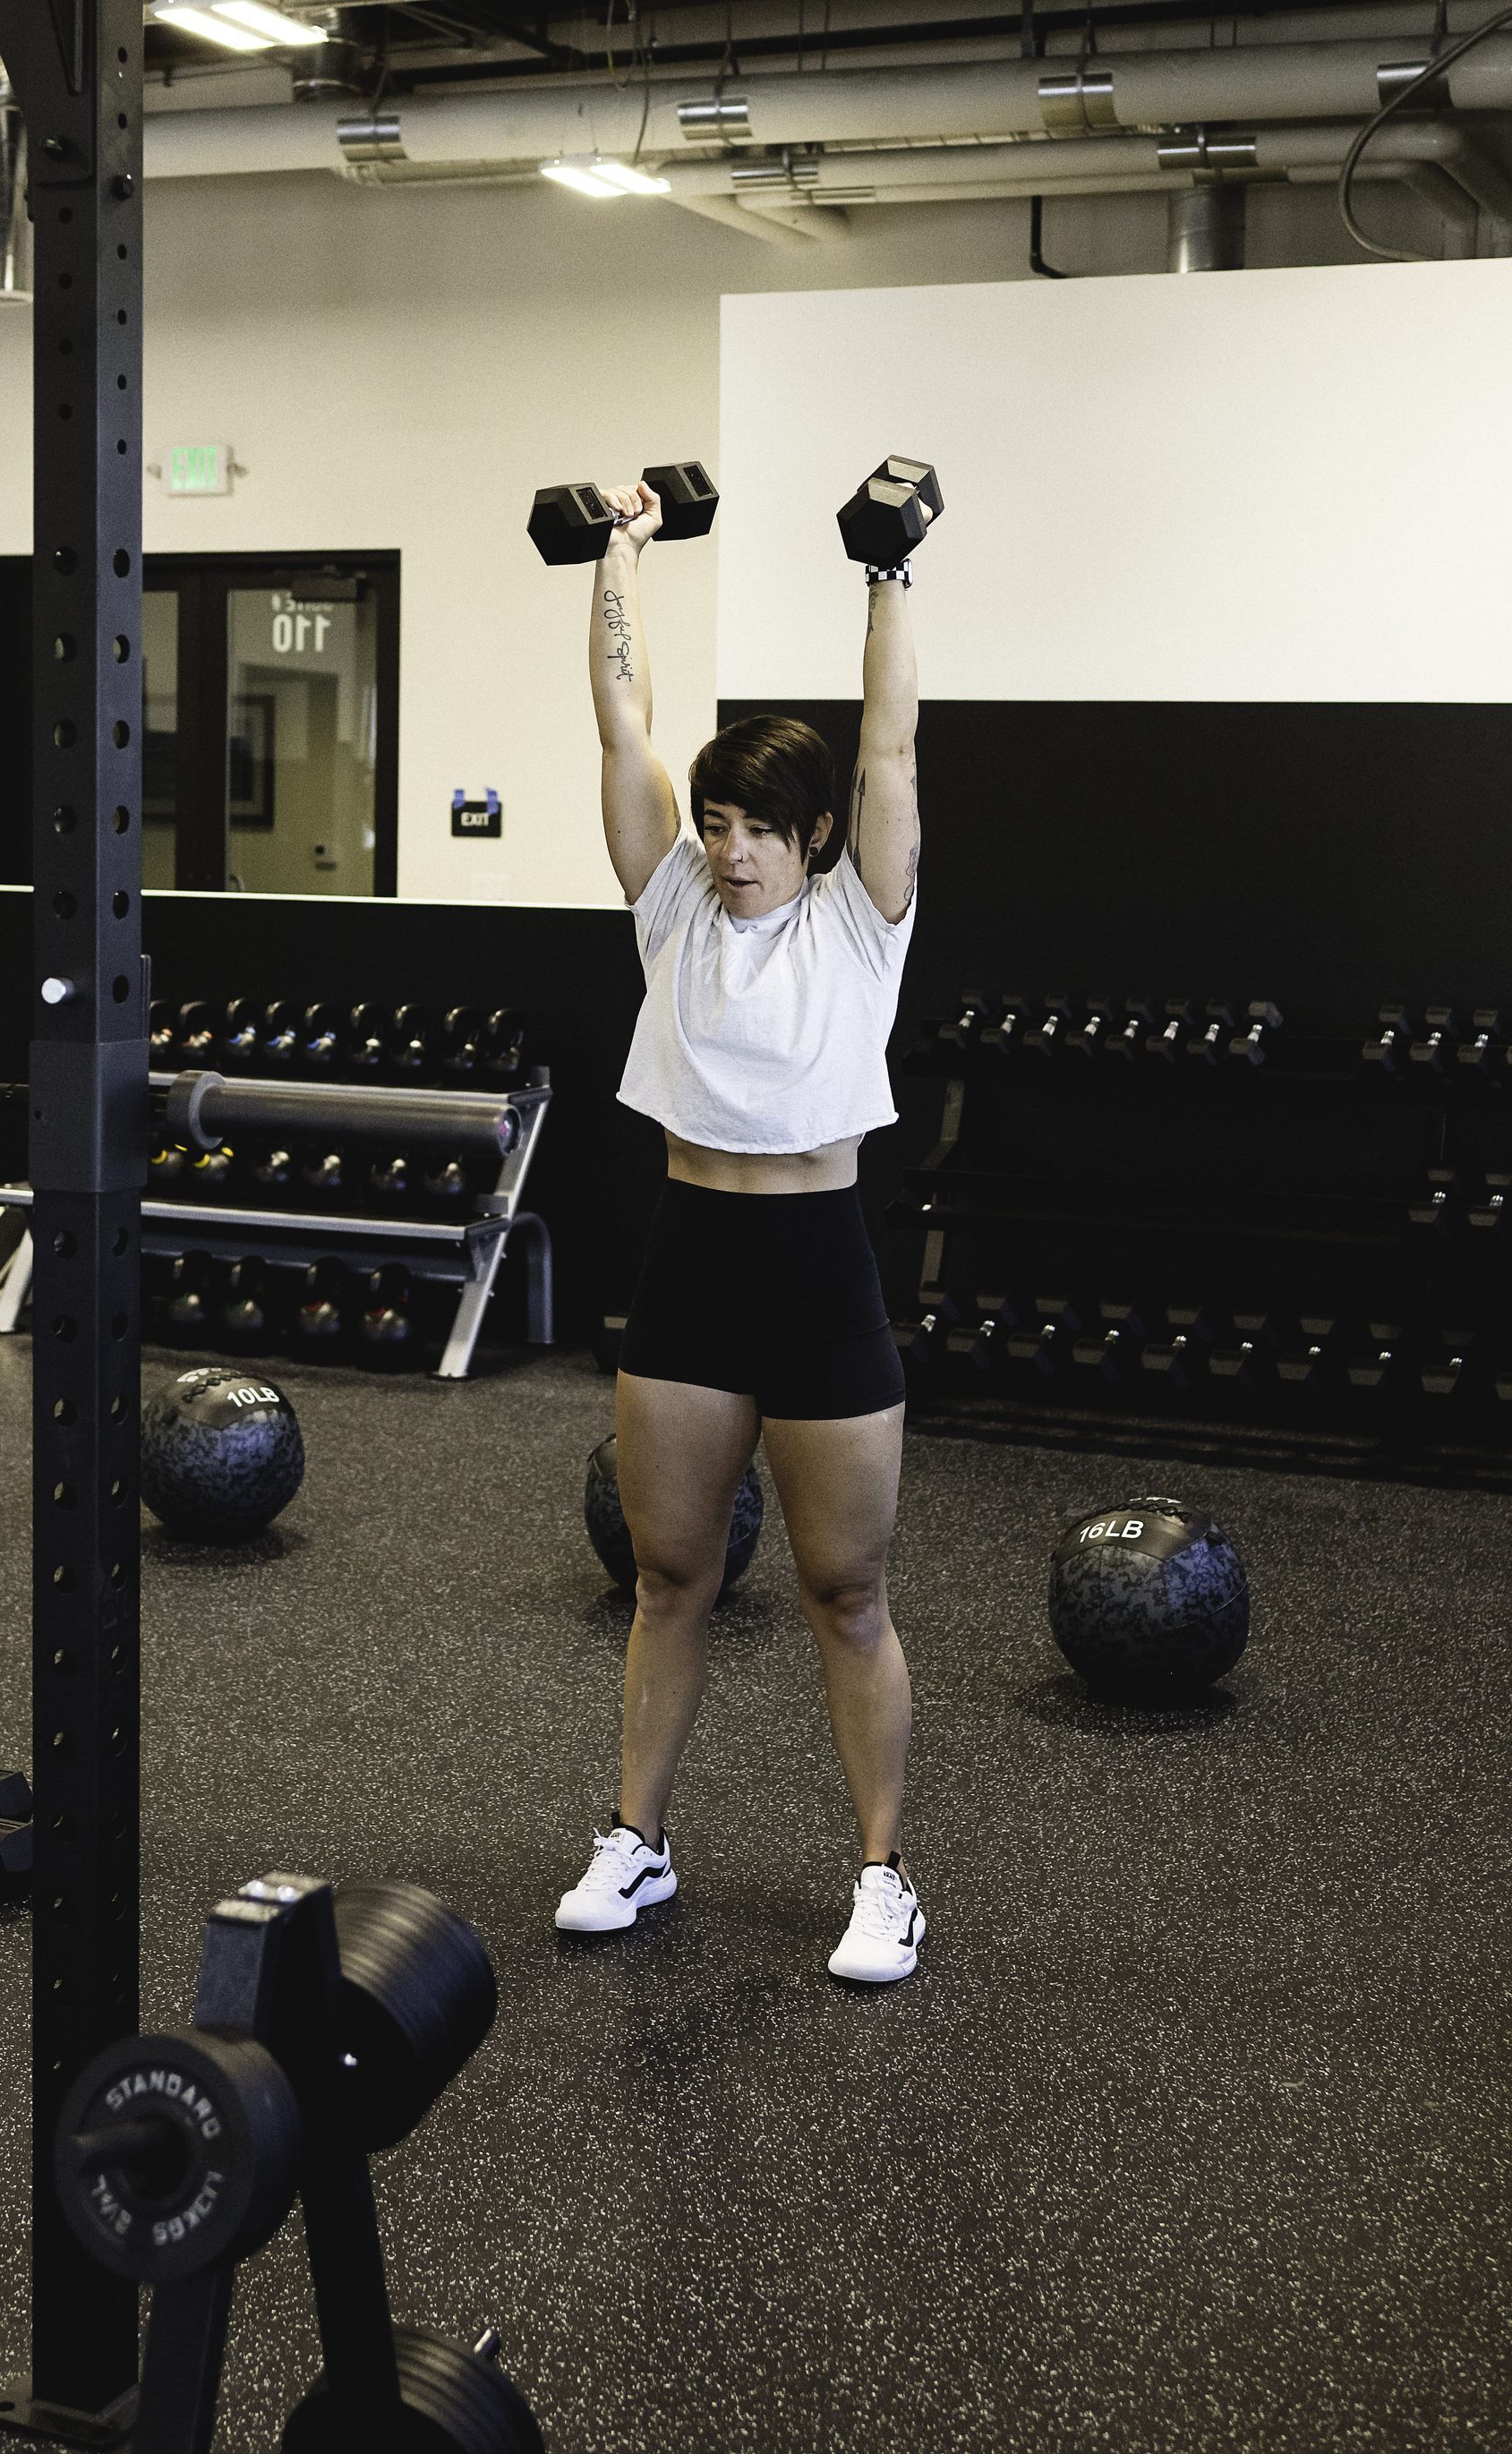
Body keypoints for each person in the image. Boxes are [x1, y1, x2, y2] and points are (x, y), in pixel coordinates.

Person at [555, 473, 927, 1983]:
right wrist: (618, 557)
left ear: (813, 834)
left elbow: (892, 739)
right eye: (716, 824)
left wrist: (891, 575)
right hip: (692, 1263)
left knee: (848, 1590)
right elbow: (620, 722)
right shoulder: (671, 910)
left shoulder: (862, 915)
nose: (729, 848)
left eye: (759, 828)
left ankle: (883, 1872)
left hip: (821, 1270)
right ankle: (639, 1839)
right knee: (668, 1575)